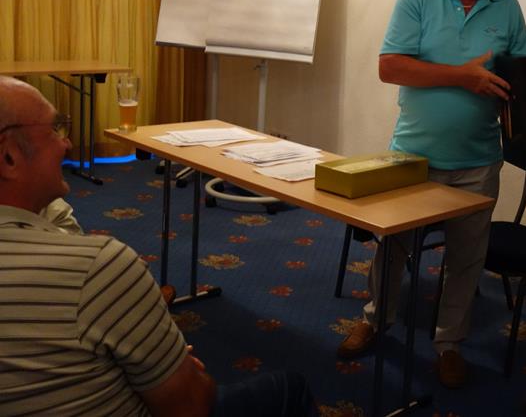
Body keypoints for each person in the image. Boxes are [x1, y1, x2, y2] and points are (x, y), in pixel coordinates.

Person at [0, 76, 315, 417]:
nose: (67, 143)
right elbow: (192, 405)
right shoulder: (97, 270)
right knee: (289, 388)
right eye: (54, 130)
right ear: (9, 157)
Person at [336, 0, 526, 389]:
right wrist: (462, 77)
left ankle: (449, 343)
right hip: (413, 156)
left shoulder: (507, 7)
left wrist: (524, 88)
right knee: (392, 247)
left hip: (478, 159)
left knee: (466, 258)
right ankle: (376, 318)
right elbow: (390, 67)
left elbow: (518, 78)